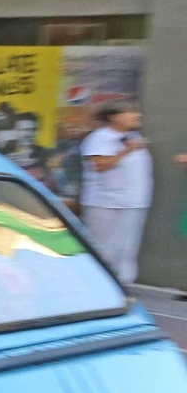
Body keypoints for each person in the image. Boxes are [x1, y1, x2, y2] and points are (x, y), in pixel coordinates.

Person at [80, 102, 153, 287]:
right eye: (130, 112)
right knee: (103, 247)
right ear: (114, 116)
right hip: (105, 203)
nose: (137, 116)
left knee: (127, 248)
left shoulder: (133, 137)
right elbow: (100, 165)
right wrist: (127, 150)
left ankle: (123, 285)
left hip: (134, 203)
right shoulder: (99, 138)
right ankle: (97, 284)